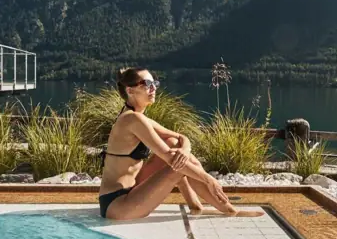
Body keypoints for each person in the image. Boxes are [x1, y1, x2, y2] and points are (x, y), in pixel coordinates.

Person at [98, 67, 264, 220]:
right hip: (118, 204)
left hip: (131, 191)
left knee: (174, 145)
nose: (154, 88)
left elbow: (180, 137)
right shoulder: (132, 119)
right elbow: (170, 158)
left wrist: (185, 149)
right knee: (178, 163)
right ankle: (230, 210)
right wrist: (208, 180)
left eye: (154, 83)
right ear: (130, 90)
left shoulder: (136, 116)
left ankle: (196, 206)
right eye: (147, 84)